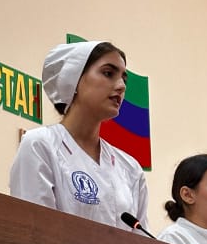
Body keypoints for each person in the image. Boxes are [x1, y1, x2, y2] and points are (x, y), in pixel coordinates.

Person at [9, 39, 149, 230]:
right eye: (108, 73)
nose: (121, 86)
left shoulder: (130, 168)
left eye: (124, 79)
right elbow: (33, 230)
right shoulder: (40, 145)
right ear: (73, 80)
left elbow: (142, 243)